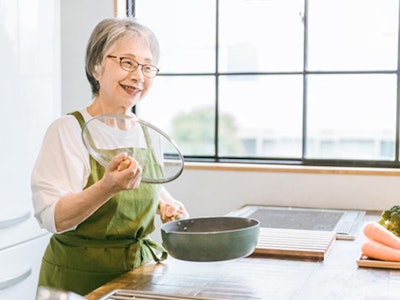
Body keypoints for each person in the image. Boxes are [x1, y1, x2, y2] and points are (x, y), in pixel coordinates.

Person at [31, 17, 189, 296]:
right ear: (96, 66)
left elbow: (148, 188)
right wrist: (107, 187)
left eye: (147, 66)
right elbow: (53, 218)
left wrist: (166, 205)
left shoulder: (149, 135)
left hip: (135, 278)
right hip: (74, 282)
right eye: (127, 62)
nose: (138, 75)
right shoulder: (68, 130)